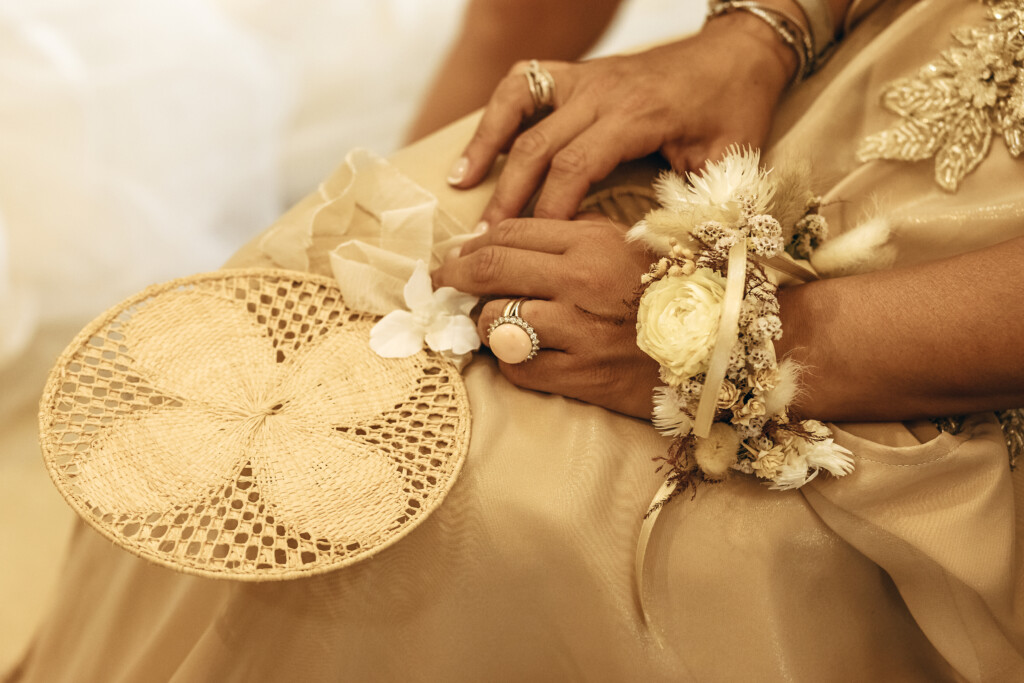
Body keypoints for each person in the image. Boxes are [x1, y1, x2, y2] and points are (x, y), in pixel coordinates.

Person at [8, 0, 1024, 680]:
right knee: (280, 315)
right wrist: (761, 30)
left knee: (490, 513)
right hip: (848, 74)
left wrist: (749, 341)